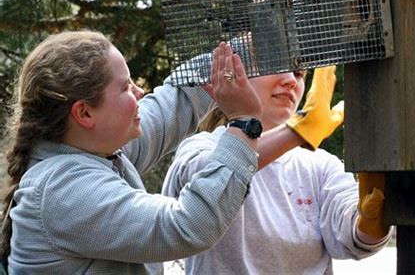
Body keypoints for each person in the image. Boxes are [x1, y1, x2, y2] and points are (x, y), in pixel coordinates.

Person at [0, 31, 265, 273]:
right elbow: (187, 225)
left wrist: (257, 34)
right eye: (126, 87)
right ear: (84, 113)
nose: (140, 92)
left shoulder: (93, 148)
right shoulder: (64, 190)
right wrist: (244, 123)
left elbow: (174, 103)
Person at [162, 65, 393, 274]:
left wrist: (370, 223)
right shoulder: (202, 146)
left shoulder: (321, 165)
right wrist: (297, 133)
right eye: (278, 67)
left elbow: (353, 239)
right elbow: (207, 176)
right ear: (236, 77)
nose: (292, 81)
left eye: (299, 73)